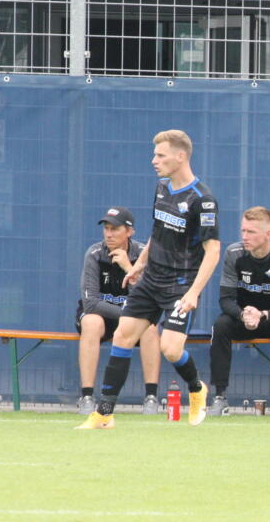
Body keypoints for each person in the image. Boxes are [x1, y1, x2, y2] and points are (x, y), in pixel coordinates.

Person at [76, 129, 220, 429]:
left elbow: (213, 251)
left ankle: (196, 389)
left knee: (170, 349)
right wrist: (139, 264)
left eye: (160, 155)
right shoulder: (162, 188)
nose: (154, 160)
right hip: (151, 280)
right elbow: (157, 232)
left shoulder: (202, 200)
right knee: (122, 336)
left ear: (180, 157)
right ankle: (104, 414)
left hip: (180, 285)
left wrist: (193, 293)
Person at [208, 206, 270, 416]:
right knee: (221, 325)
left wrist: (264, 314)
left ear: (268, 234)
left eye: (251, 232)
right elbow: (225, 300)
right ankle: (220, 397)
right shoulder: (234, 253)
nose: (245, 236)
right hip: (245, 319)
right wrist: (243, 314)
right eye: (243, 231)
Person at [75, 206, 161, 415]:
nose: (109, 234)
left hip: (132, 318)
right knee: (91, 321)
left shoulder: (142, 254)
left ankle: (151, 398)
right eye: (106, 228)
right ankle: (87, 397)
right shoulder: (94, 254)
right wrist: (128, 316)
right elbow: (91, 304)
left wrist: (128, 268)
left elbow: (148, 298)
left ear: (129, 232)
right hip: (105, 318)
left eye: (115, 229)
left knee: (150, 328)